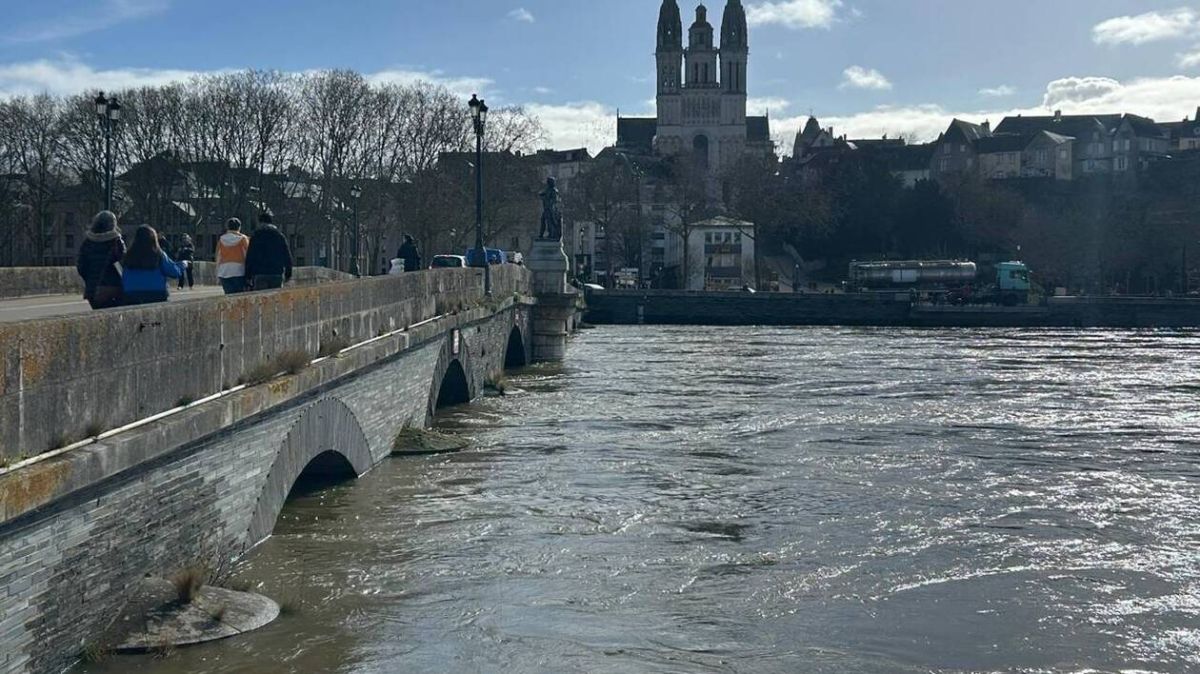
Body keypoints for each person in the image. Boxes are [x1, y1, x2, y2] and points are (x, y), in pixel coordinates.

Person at [76, 210, 126, 309]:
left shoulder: (88, 242)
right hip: (113, 288)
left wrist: (89, 280)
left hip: (92, 289)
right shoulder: (116, 241)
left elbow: (81, 266)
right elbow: (123, 263)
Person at [121, 225, 183, 305]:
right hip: (156, 294)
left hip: (131, 294)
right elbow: (174, 273)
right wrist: (182, 265)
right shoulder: (159, 255)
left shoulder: (128, 255)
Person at [244, 213, 293, 290]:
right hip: (276, 272)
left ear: (260, 222)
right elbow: (287, 255)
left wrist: (248, 275)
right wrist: (288, 273)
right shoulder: (279, 236)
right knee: (275, 296)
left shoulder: (256, 236)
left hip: (259, 273)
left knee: (262, 296)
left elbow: (250, 256)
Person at [216, 218, 251, 294]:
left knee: (228, 295)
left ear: (227, 227)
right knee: (240, 296)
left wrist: (217, 273)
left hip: (224, 271)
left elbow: (218, 256)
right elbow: (248, 255)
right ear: (239, 227)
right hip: (239, 270)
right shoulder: (243, 239)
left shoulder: (221, 239)